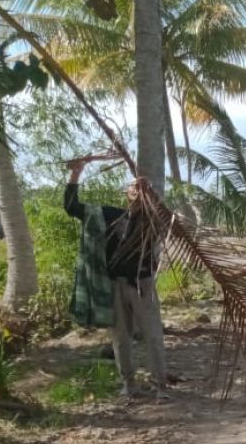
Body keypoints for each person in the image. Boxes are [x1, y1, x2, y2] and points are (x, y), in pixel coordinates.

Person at [64, 158, 169, 401]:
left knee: (153, 335)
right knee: (121, 338)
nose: (137, 190)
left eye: (142, 188)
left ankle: (160, 385)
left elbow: (164, 218)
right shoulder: (108, 214)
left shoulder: (151, 220)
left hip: (142, 284)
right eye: (134, 187)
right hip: (115, 285)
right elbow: (72, 207)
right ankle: (128, 384)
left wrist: (150, 194)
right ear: (126, 193)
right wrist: (76, 174)